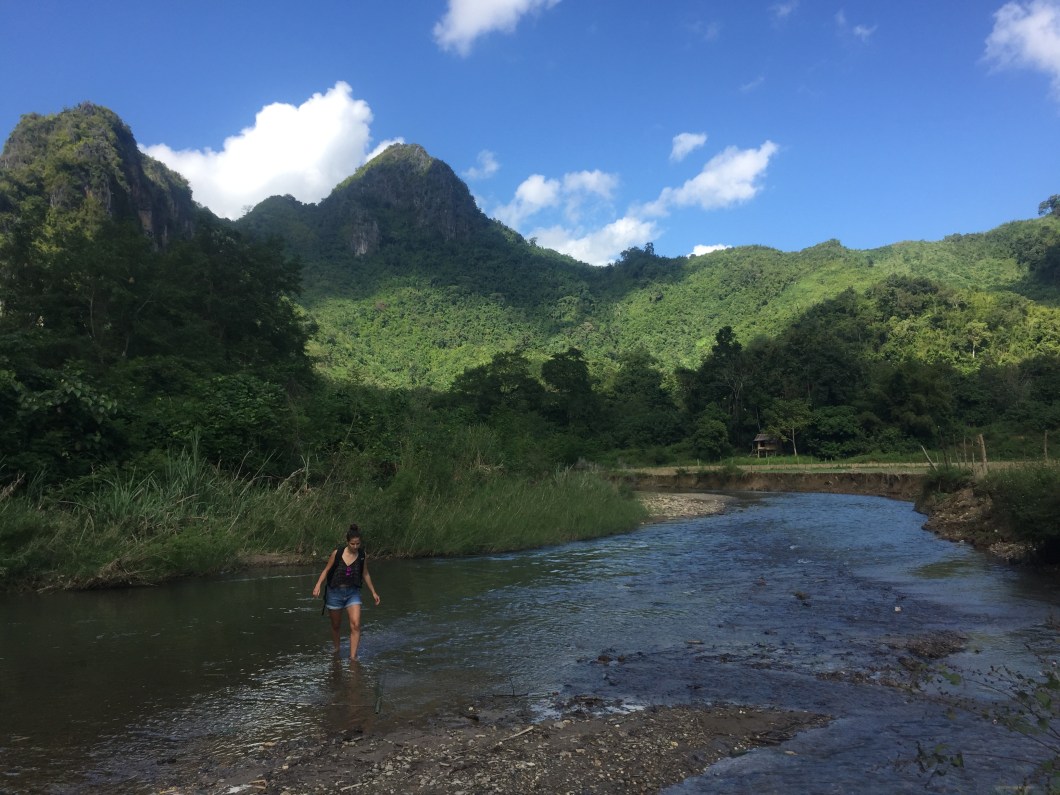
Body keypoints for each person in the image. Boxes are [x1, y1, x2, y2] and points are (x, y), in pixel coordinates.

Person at [312, 524, 381, 660]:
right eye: (352, 544)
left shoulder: (362, 555)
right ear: (347, 542)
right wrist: (318, 585)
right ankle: (337, 649)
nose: (355, 547)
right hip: (335, 593)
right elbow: (326, 570)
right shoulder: (337, 554)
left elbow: (365, 573)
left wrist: (373, 592)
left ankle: (353, 657)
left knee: (355, 624)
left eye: (358, 544)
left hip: (353, 593)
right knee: (336, 625)